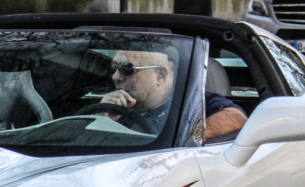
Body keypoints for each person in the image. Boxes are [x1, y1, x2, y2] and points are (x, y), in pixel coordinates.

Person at [99, 49, 248, 139]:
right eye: (115, 68)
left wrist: (178, 139)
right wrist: (102, 121)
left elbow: (236, 119)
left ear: (160, 76)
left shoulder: (193, 101)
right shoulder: (117, 110)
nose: (115, 76)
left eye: (127, 69)